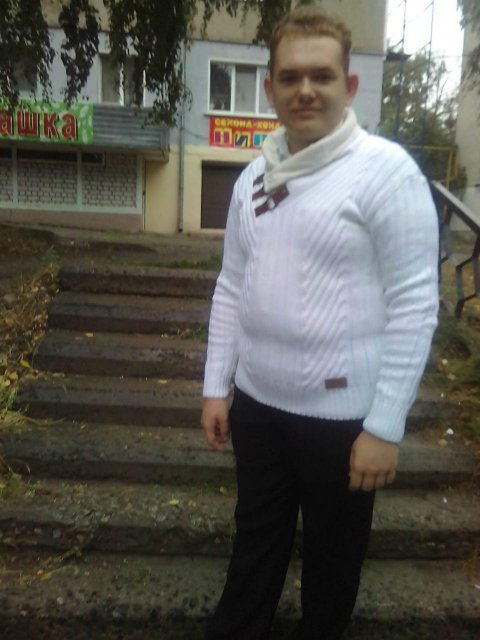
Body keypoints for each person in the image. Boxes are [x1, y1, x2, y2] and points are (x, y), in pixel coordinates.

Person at [201, 6, 439, 639]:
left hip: (343, 423)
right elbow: (231, 285)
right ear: (271, 88)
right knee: (255, 545)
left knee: (332, 567)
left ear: (348, 85)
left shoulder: (387, 173)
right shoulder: (253, 176)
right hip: (258, 407)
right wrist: (215, 385)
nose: (305, 90)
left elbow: (416, 303)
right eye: (290, 77)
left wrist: (384, 425)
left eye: (321, 76)